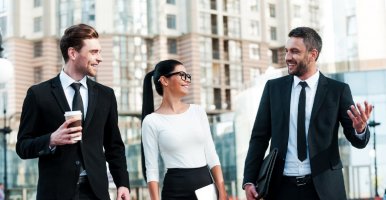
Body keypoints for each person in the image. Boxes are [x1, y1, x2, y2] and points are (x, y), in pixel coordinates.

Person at [243, 27, 372, 200]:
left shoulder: (337, 91)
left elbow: (358, 141)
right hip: (281, 189)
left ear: (313, 54)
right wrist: (249, 180)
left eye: (295, 51)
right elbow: (259, 137)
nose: (288, 57)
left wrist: (360, 129)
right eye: (286, 51)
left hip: (324, 190)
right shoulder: (273, 88)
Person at [16, 24, 130, 200]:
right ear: (73, 53)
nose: (100, 58)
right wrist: (51, 139)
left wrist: (122, 183)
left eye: (99, 52)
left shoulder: (106, 95)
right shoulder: (38, 94)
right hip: (55, 193)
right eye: (94, 52)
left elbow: (114, 145)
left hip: (96, 193)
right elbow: (23, 147)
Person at [141, 59, 228, 199]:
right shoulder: (151, 121)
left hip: (206, 189)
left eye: (188, 76)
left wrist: (222, 191)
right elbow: (152, 169)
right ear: (164, 80)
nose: (187, 80)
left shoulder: (198, 112)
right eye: (182, 75)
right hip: (175, 191)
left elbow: (211, 155)